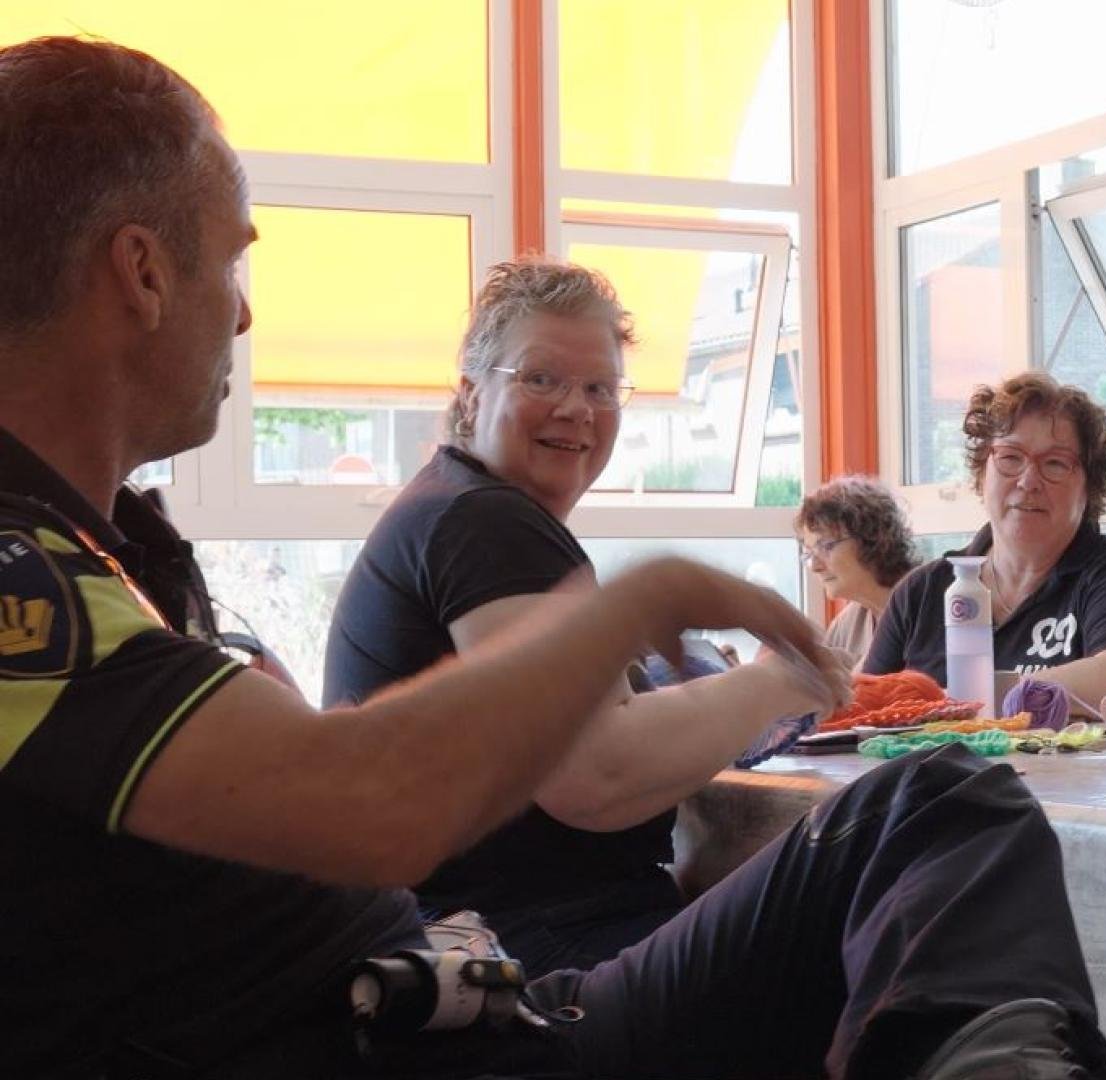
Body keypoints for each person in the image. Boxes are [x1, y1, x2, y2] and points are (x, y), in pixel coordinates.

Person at [0, 36, 1106, 1079]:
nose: (242, 317)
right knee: (939, 809)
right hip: (462, 1029)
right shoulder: (28, 570)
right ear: (142, 273)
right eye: (234, 262)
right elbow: (438, 796)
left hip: (449, 992)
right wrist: (651, 604)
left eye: (600, 389)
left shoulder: (104, 551)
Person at [323, 257, 840, 976]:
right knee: (929, 808)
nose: (576, 408)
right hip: (530, 961)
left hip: (484, 943)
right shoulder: (485, 522)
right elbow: (596, 774)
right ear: (471, 395)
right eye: (541, 379)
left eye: (600, 387)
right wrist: (786, 677)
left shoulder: (453, 507)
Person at [863, 372, 1106, 708]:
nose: (1028, 480)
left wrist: (968, 700)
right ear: (982, 472)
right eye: (1010, 457)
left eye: (1054, 463)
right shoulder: (922, 592)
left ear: (1089, 487)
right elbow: (864, 704)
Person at [795, 475, 919, 669]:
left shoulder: (926, 605)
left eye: (826, 546)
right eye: (809, 553)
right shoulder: (847, 624)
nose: (815, 566)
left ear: (872, 538)